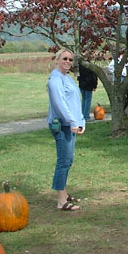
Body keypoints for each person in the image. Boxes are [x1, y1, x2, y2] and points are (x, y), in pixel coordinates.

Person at [47, 49, 85, 211]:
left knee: (68, 160)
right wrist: (72, 122)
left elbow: (75, 101)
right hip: (62, 126)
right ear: (57, 60)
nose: (68, 61)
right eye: (65, 58)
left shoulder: (67, 77)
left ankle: (64, 192)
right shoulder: (55, 80)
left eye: (70, 59)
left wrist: (81, 121)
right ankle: (61, 201)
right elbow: (60, 104)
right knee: (64, 161)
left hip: (72, 124)